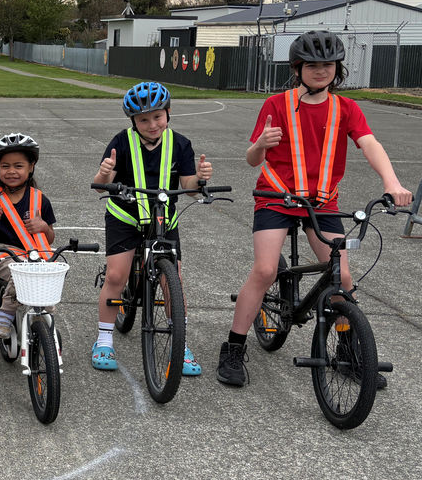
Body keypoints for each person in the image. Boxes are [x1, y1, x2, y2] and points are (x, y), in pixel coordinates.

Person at [218, 30, 413, 388]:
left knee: (343, 277)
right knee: (264, 270)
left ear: (337, 69)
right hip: (276, 199)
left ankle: (346, 354)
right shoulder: (276, 105)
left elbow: (370, 144)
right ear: (298, 69)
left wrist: (392, 182)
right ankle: (233, 348)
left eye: (327, 64)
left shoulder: (346, 108)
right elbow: (252, 160)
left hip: (321, 203)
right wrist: (261, 144)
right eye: (312, 65)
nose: (320, 71)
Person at [91, 81, 212, 374]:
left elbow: (189, 188)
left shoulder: (180, 144)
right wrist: (105, 174)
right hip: (125, 216)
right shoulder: (121, 142)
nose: (152, 124)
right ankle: (104, 339)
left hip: (163, 219)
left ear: (168, 113)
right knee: (117, 274)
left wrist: (200, 178)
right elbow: (100, 186)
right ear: (133, 121)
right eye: (143, 119)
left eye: (157, 116)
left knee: (174, 280)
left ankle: (179, 344)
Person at [0, 133, 56, 338]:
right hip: (4, 255)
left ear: (31, 167)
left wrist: (44, 227)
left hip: (36, 255)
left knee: (50, 273)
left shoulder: (40, 200)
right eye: (5, 166)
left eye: (18, 166)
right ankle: (4, 314)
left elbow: (50, 239)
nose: (12, 171)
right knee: (21, 274)